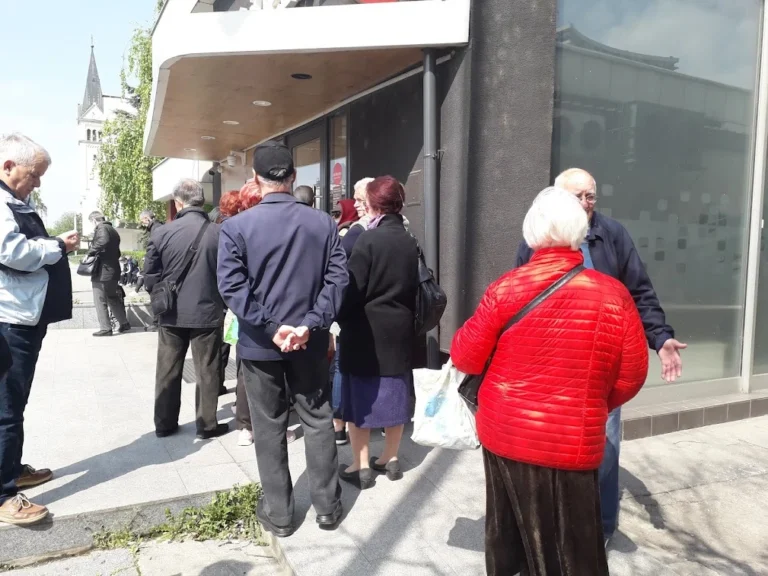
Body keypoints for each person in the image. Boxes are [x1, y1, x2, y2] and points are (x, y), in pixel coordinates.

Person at [452, 186, 648, 575]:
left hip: (506, 433)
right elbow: (632, 375)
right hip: (574, 438)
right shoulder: (613, 294)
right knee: (573, 546)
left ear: (532, 232)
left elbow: (465, 356)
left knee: (509, 532)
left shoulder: (506, 287)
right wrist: (591, 403)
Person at [514, 167, 687, 544]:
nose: (585, 203)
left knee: (604, 450)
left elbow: (640, 291)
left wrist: (660, 338)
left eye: (590, 195)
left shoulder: (612, 235)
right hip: (553, 367)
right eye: (577, 196)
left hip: (600, 369)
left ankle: (600, 526)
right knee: (554, 450)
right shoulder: (539, 238)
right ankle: (558, 524)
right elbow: (519, 297)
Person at [217, 140, 347, 537]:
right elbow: (338, 281)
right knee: (318, 419)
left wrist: (272, 328)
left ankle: (280, 514)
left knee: (269, 426)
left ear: (255, 178)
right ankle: (327, 508)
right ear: (293, 176)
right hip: (309, 341)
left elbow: (232, 288)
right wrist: (308, 324)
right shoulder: (323, 223)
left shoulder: (236, 227)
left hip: (261, 345)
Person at [0, 133, 78, 525]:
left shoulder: (13, 201)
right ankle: (3, 495)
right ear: (8, 166)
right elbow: (10, 252)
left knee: (15, 403)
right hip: (10, 321)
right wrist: (56, 246)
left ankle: (12, 470)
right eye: (34, 175)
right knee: (6, 408)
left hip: (24, 318)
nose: (38, 184)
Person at [336, 176, 419, 489]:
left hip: (365, 331)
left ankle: (360, 466)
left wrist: (337, 316)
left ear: (373, 204)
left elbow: (351, 291)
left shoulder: (368, 240)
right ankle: (391, 458)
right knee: (395, 393)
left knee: (359, 399)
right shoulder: (409, 241)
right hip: (399, 330)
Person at [144, 178, 228, 441]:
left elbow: (149, 276)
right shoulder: (219, 233)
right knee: (208, 370)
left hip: (170, 312)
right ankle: (207, 425)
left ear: (178, 203)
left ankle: (164, 423)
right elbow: (228, 275)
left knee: (167, 369)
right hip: (208, 311)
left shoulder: (161, 233)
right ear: (201, 201)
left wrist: (160, 296)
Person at [88, 211, 130, 337]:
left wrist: (90, 252)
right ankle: (124, 323)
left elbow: (103, 241)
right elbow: (117, 252)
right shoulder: (113, 230)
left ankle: (105, 328)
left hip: (103, 271)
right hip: (113, 269)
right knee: (112, 297)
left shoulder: (101, 228)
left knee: (99, 299)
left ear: (94, 220)